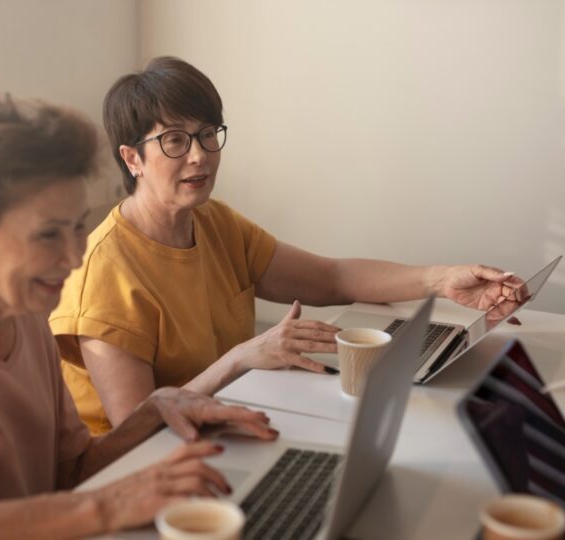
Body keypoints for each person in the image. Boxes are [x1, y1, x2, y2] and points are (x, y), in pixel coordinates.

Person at [0, 95, 278, 540]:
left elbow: (68, 472)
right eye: (49, 234)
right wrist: (99, 508)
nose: (74, 257)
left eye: (77, 227)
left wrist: (154, 410)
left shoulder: (27, 316)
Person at [49, 56, 525, 436]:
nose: (199, 155)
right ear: (132, 158)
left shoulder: (215, 222)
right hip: (147, 464)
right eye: (175, 140)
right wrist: (241, 357)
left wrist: (442, 280)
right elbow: (137, 426)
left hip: (228, 419)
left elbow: (332, 278)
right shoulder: (104, 272)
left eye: (208, 134)